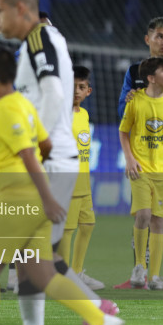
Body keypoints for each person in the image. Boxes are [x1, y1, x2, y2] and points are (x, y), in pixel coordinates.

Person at [0, 47, 125, 325]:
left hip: (17, 198)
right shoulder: (24, 106)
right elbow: (45, 145)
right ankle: (100, 320)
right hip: (31, 199)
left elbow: (29, 153)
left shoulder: (6, 109)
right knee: (41, 273)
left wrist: (46, 195)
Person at [0, 0, 115, 325]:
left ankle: (98, 314)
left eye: (0, 10)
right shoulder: (46, 41)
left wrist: (33, 148)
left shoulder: (38, 41)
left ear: (21, 10)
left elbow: (54, 94)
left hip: (50, 160)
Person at [120, 57, 163, 291]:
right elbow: (123, 131)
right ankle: (139, 266)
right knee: (144, 215)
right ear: (151, 78)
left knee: (158, 221)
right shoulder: (135, 100)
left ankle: (156, 276)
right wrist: (129, 158)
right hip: (140, 169)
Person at [60, 66, 103, 290]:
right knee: (67, 229)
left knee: (87, 224)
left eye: (81, 87)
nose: (76, 91)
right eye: (72, 86)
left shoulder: (84, 114)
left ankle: (76, 272)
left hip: (83, 181)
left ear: (89, 91)